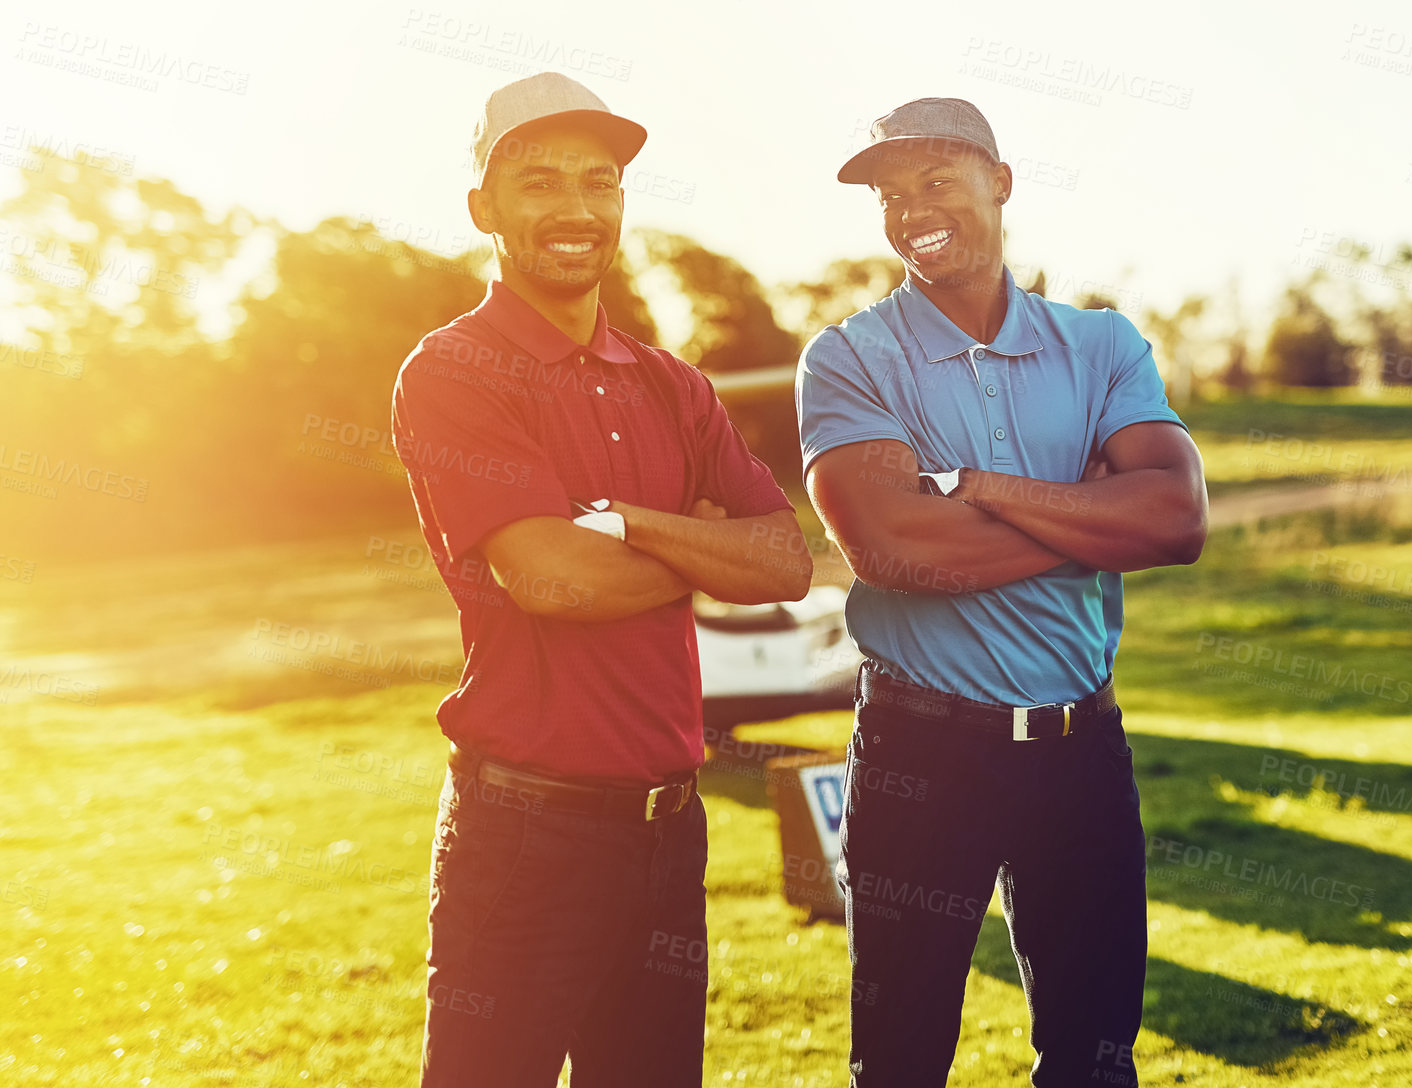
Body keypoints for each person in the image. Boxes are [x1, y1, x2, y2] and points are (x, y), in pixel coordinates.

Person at [391, 71, 811, 1087]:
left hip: (670, 830)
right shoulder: (453, 371)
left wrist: (626, 524)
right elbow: (553, 581)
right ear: (483, 208)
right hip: (524, 835)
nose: (577, 210)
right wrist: (705, 545)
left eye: (602, 181)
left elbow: (787, 560)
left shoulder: (673, 385)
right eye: (539, 183)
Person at [795, 97, 1208, 1088]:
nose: (912, 210)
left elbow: (1174, 519)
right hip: (918, 750)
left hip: (1079, 750)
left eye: (936, 180)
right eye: (892, 195)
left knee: (1095, 1058)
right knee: (898, 1063)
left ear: (1000, 182)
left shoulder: (1103, 345)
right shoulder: (849, 357)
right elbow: (894, 546)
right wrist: (1089, 516)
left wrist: (978, 488)